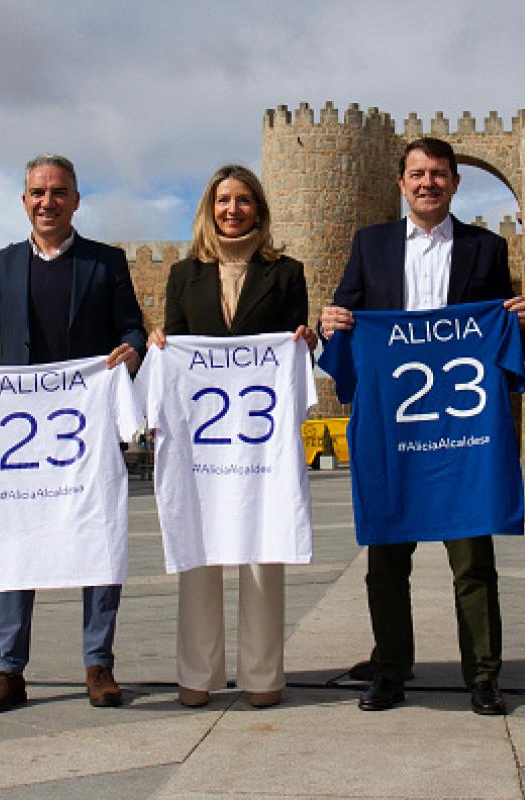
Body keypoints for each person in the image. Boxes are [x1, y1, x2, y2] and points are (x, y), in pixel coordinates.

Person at [319, 137, 525, 716]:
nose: (428, 183)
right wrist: (329, 319)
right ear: (401, 183)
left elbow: (499, 329)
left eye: (439, 174)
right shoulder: (371, 245)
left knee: (473, 558)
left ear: (455, 183)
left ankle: (484, 676)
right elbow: (346, 312)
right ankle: (390, 670)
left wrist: (514, 319)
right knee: (387, 558)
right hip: (396, 429)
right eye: (418, 174)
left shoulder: (486, 248)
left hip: (462, 434)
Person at [0, 154, 146, 713]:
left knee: (100, 538)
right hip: (21, 435)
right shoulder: (0, 266)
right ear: (24, 201)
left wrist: (129, 350)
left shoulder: (106, 263)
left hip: (86, 425)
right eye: (38, 192)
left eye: (59, 192)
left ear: (76, 201)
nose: (48, 201)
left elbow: (131, 325)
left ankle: (98, 664)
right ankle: (8, 670)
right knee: (15, 539)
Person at [147, 165, 316, 710]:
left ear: (259, 210)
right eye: (223, 200)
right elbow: (174, 346)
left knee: (262, 548)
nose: (232, 209)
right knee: (198, 548)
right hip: (201, 438)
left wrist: (302, 342)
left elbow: (294, 347)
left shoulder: (287, 273)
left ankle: (263, 675)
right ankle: (197, 673)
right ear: (209, 207)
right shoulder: (183, 276)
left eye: (243, 200)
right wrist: (160, 346)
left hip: (260, 438)